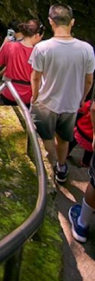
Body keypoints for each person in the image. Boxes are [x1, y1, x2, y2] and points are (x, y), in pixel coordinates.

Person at [30, 4, 95, 184]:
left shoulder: (43, 48)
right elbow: (89, 79)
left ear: (51, 22)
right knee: (64, 138)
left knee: (47, 137)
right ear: (72, 22)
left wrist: (34, 97)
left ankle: (49, 167)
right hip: (71, 103)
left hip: (45, 102)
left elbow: (35, 77)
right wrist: (82, 98)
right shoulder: (86, 49)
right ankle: (61, 166)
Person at [0, 19, 45, 108]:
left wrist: (5, 42)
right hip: (28, 96)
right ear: (37, 35)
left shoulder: (10, 46)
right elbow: (38, 78)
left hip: (9, 91)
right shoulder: (40, 53)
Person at [69, 99, 95, 243]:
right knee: (88, 154)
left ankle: (82, 224)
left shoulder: (89, 104)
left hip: (84, 133)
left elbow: (91, 109)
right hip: (89, 140)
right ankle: (84, 162)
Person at [68, 100, 94, 168]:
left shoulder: (90, 104)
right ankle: (85, 162)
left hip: (81, 131)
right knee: (89, 152)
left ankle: (65, 153)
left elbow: (81, 110)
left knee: (71, 142)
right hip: (91, 139)